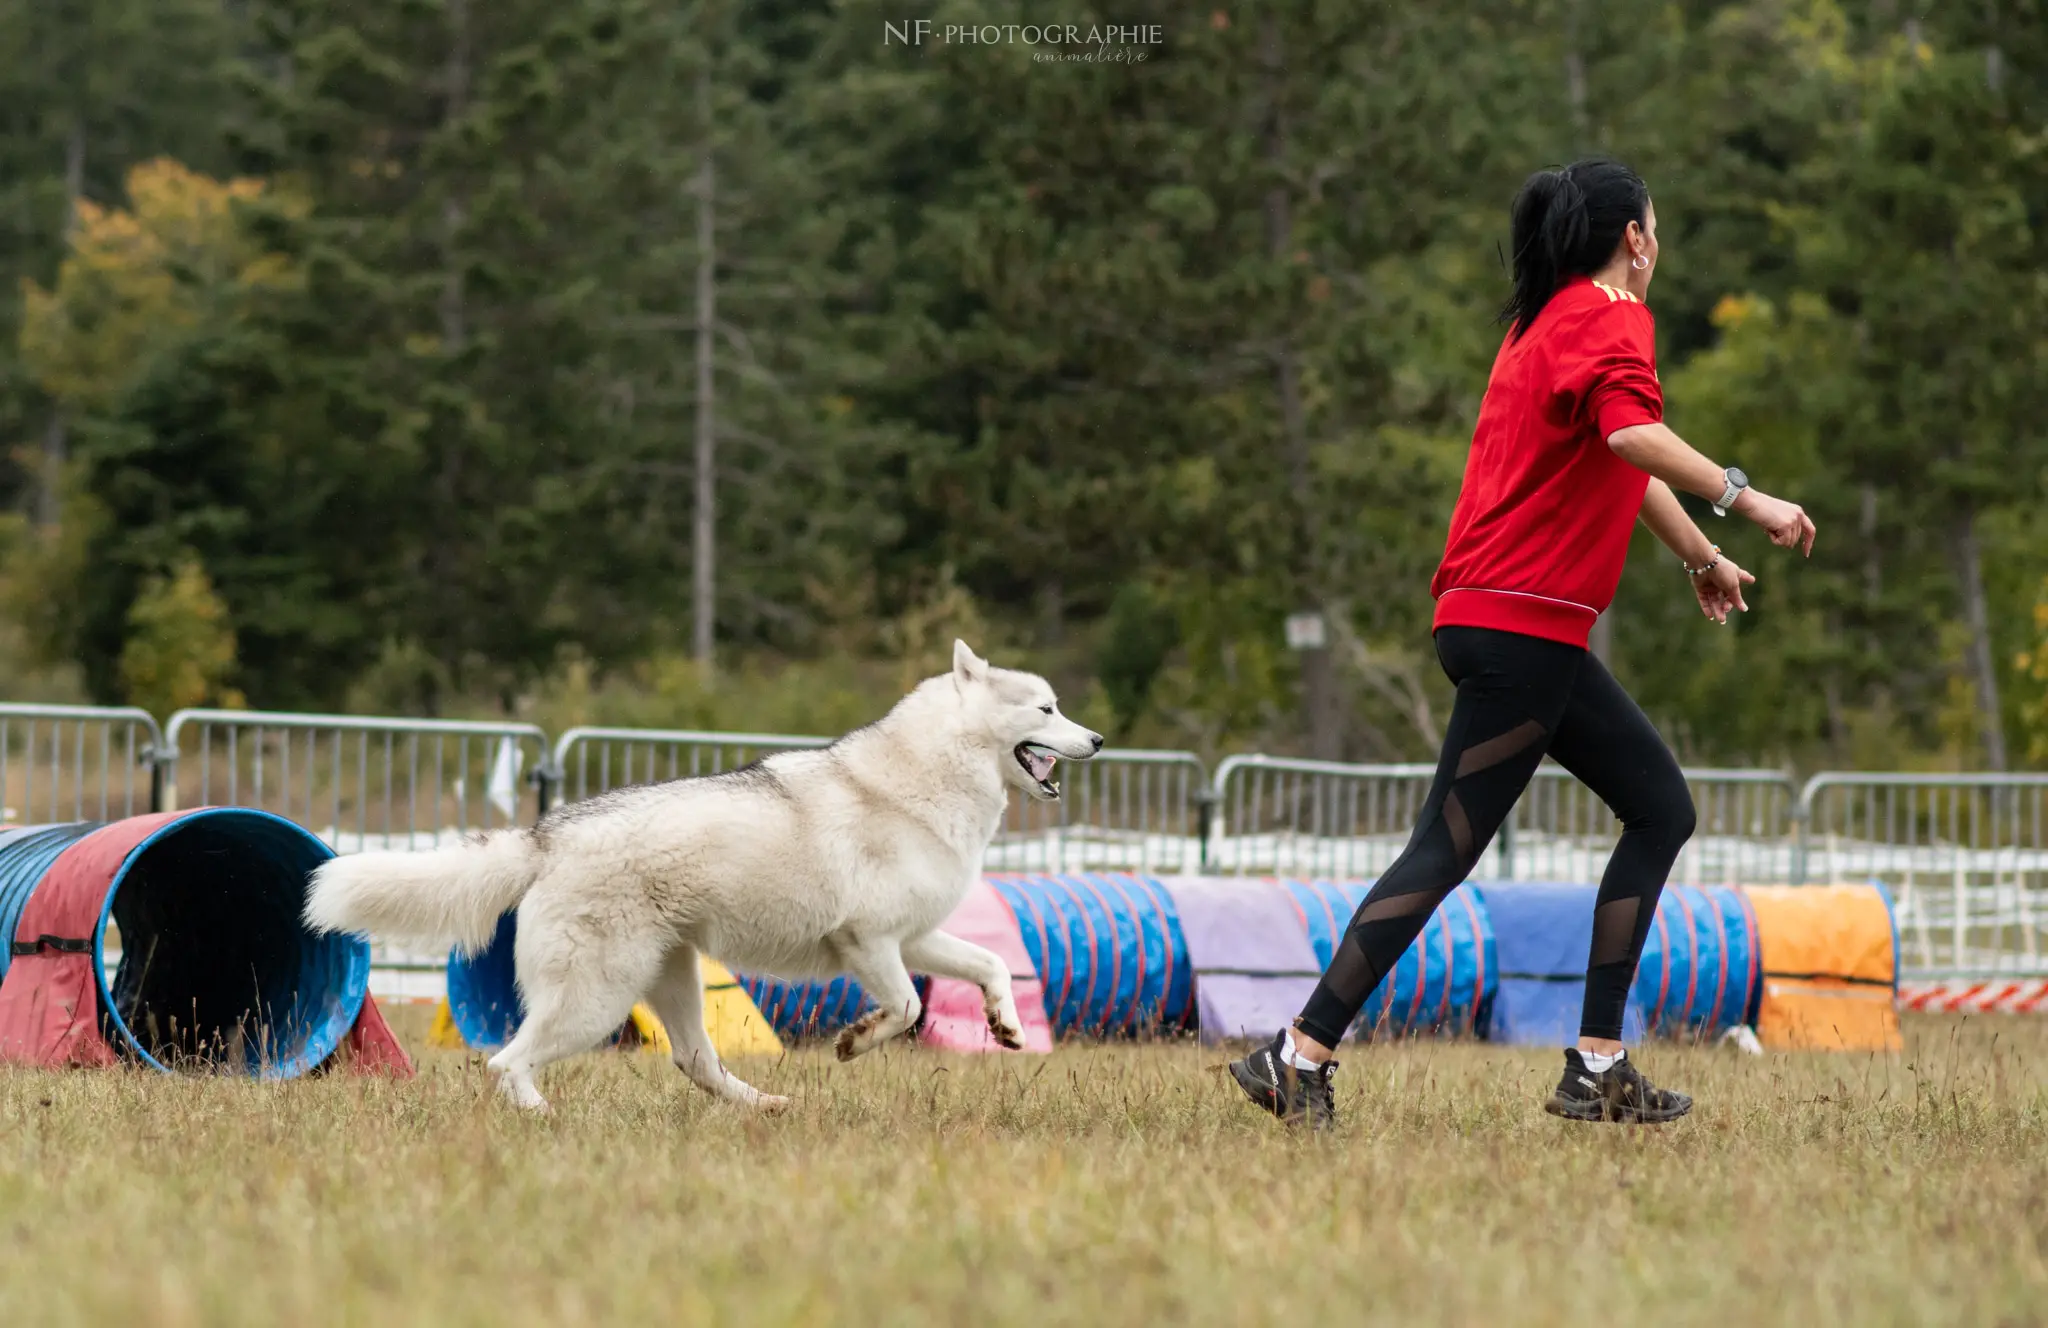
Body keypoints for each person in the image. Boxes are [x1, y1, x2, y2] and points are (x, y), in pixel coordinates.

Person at [1228, 158, 1816, 1128]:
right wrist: (1745, 497)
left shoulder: (1537, 322)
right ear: (1633, 237)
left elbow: (1616, 452)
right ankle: (1297, 1052)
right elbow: (1635, 436)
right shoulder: (1610, 314)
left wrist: (1699, 555)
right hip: (1520, 627)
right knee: (1440, 851)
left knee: (1657, 806)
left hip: (1495, 617)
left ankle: (1595, 1061)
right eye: (1654, 226)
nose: (1657, 242)